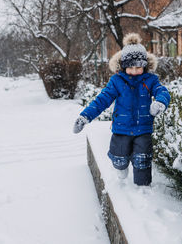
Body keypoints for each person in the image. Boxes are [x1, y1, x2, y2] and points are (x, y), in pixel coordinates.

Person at [73, 33, 170, 186]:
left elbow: (162, 91)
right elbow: (102, 100)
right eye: (130, 67)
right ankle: (121, 167)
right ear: (124, 66)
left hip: (143, 128)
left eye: (138, 67)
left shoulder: (151, 80)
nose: (134, 71)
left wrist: (159, 102)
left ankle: (143, 187)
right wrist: (85, 117)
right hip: (121, 128)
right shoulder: (117, 81)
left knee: (143, 159)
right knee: (119, 157)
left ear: (144, 66)